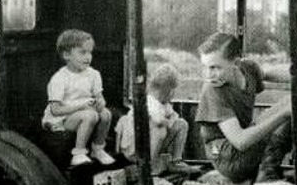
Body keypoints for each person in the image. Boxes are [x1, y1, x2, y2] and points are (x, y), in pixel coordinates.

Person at [194, 32, 295, 185]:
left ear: (235, 61)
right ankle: (265, 177)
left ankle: (270, 170)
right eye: (204, 67)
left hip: (244, 149)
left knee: (294, 101)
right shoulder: (212, 90)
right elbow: (240, 141)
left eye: (214, 67)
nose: (208, 74)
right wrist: (283, 114)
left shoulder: (247, 69)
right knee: (286, 111)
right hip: (228, 157)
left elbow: (268, 74)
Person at [42, 29, 115, 168]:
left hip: (84, 111)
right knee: (90, 116)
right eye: (82, 52)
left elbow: (100, 97)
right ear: (66, 55)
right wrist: (81, 106)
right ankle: (79, 153)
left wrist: (100, 103)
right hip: (62, 119)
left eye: (90, 52)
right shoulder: (59, 78)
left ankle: (98, 149)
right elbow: (55, 110)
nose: (88, 57)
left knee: (106, 114)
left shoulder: (93, 74)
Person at [115, 62, 192, 175]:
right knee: (160, 129)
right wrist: (168, 122)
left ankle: (176, 160)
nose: (173, 95)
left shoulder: (163, 104)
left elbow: (174, 117)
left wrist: (171, 119)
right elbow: (158, 121)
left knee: (182, 124)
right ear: (168, 90)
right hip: (135, 148)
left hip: (148, 145)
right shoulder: (149, 102)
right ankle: (148, 166)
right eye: (173, 90)